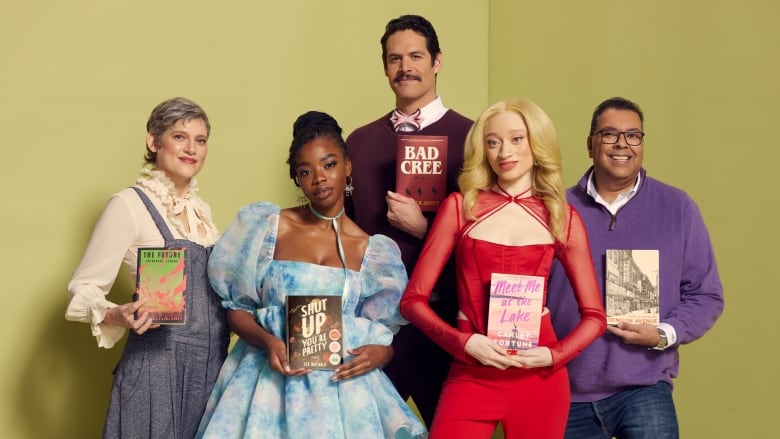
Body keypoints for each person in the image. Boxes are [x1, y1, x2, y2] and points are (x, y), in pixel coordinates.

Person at [196, 111, 426, 439]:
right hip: (266, 386)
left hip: (341, 393)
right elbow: (236, 309)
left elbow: (382, 331)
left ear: (347, 167)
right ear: (297, 179)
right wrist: (270, 341)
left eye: (329, 165)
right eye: (306, 171)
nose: (319, 178)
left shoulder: (372, 252)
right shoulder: (266, 227)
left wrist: (381, 353)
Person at [400, 98, 607, 439]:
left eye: (516, 139)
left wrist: (551, 356)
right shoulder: (460, 207)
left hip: (538, 376)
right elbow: (413, 301)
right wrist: (464, 344)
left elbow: (595, 316)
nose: (503, 152)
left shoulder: (562, 217)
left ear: (536, 143)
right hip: (471, 371)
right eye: (492, 142)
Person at [547, 97, 725, 438]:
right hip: (565, 387)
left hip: (644, 384)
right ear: (590, 144)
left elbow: (706, 294)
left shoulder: (678, 207)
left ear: (642, 144)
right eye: (610, 133)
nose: (621, 144)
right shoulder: (556, 209)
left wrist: (664, 334)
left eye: (633, 135)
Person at [66, 97, 230, 438]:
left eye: (200, 140)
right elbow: (83, 288)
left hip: (211, 368)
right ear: (154, 141)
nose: (192, 149)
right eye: (180, 137)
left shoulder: (203, 213)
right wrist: (117, 314)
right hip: (156, 366)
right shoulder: (128, 205)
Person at [345, 14, 473, 426]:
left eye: (416, 56)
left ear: (437, 61)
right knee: (364, 430)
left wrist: (424, 230)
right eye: (395, 59)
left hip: (444, 318)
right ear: (385, 68)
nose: (406, 68)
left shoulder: (473, 139)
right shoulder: (359, 143)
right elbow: (341, 234)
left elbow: (488, 242)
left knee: (448, 430)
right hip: (374, 324)